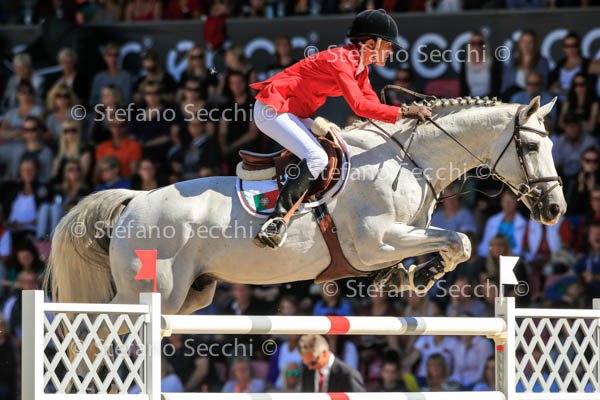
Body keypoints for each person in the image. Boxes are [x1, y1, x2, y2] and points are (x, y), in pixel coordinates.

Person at [249, 9, 431, 248]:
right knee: (316, 157)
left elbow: (373, 106)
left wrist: (405, 118)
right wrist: (405, 112)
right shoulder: (341, 60)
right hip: (272, 108)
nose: (391, 51)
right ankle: (276, 220)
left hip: (291, 112)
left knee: (337, 145)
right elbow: (359, 106)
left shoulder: (361, 69)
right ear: (370, 44)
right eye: (388, 45)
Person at [298, 334, 365, 392]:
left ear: (324, 353)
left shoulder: (348, 375)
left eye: (313, 363)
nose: (310, 367)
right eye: (306, 363)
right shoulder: (306, 373)